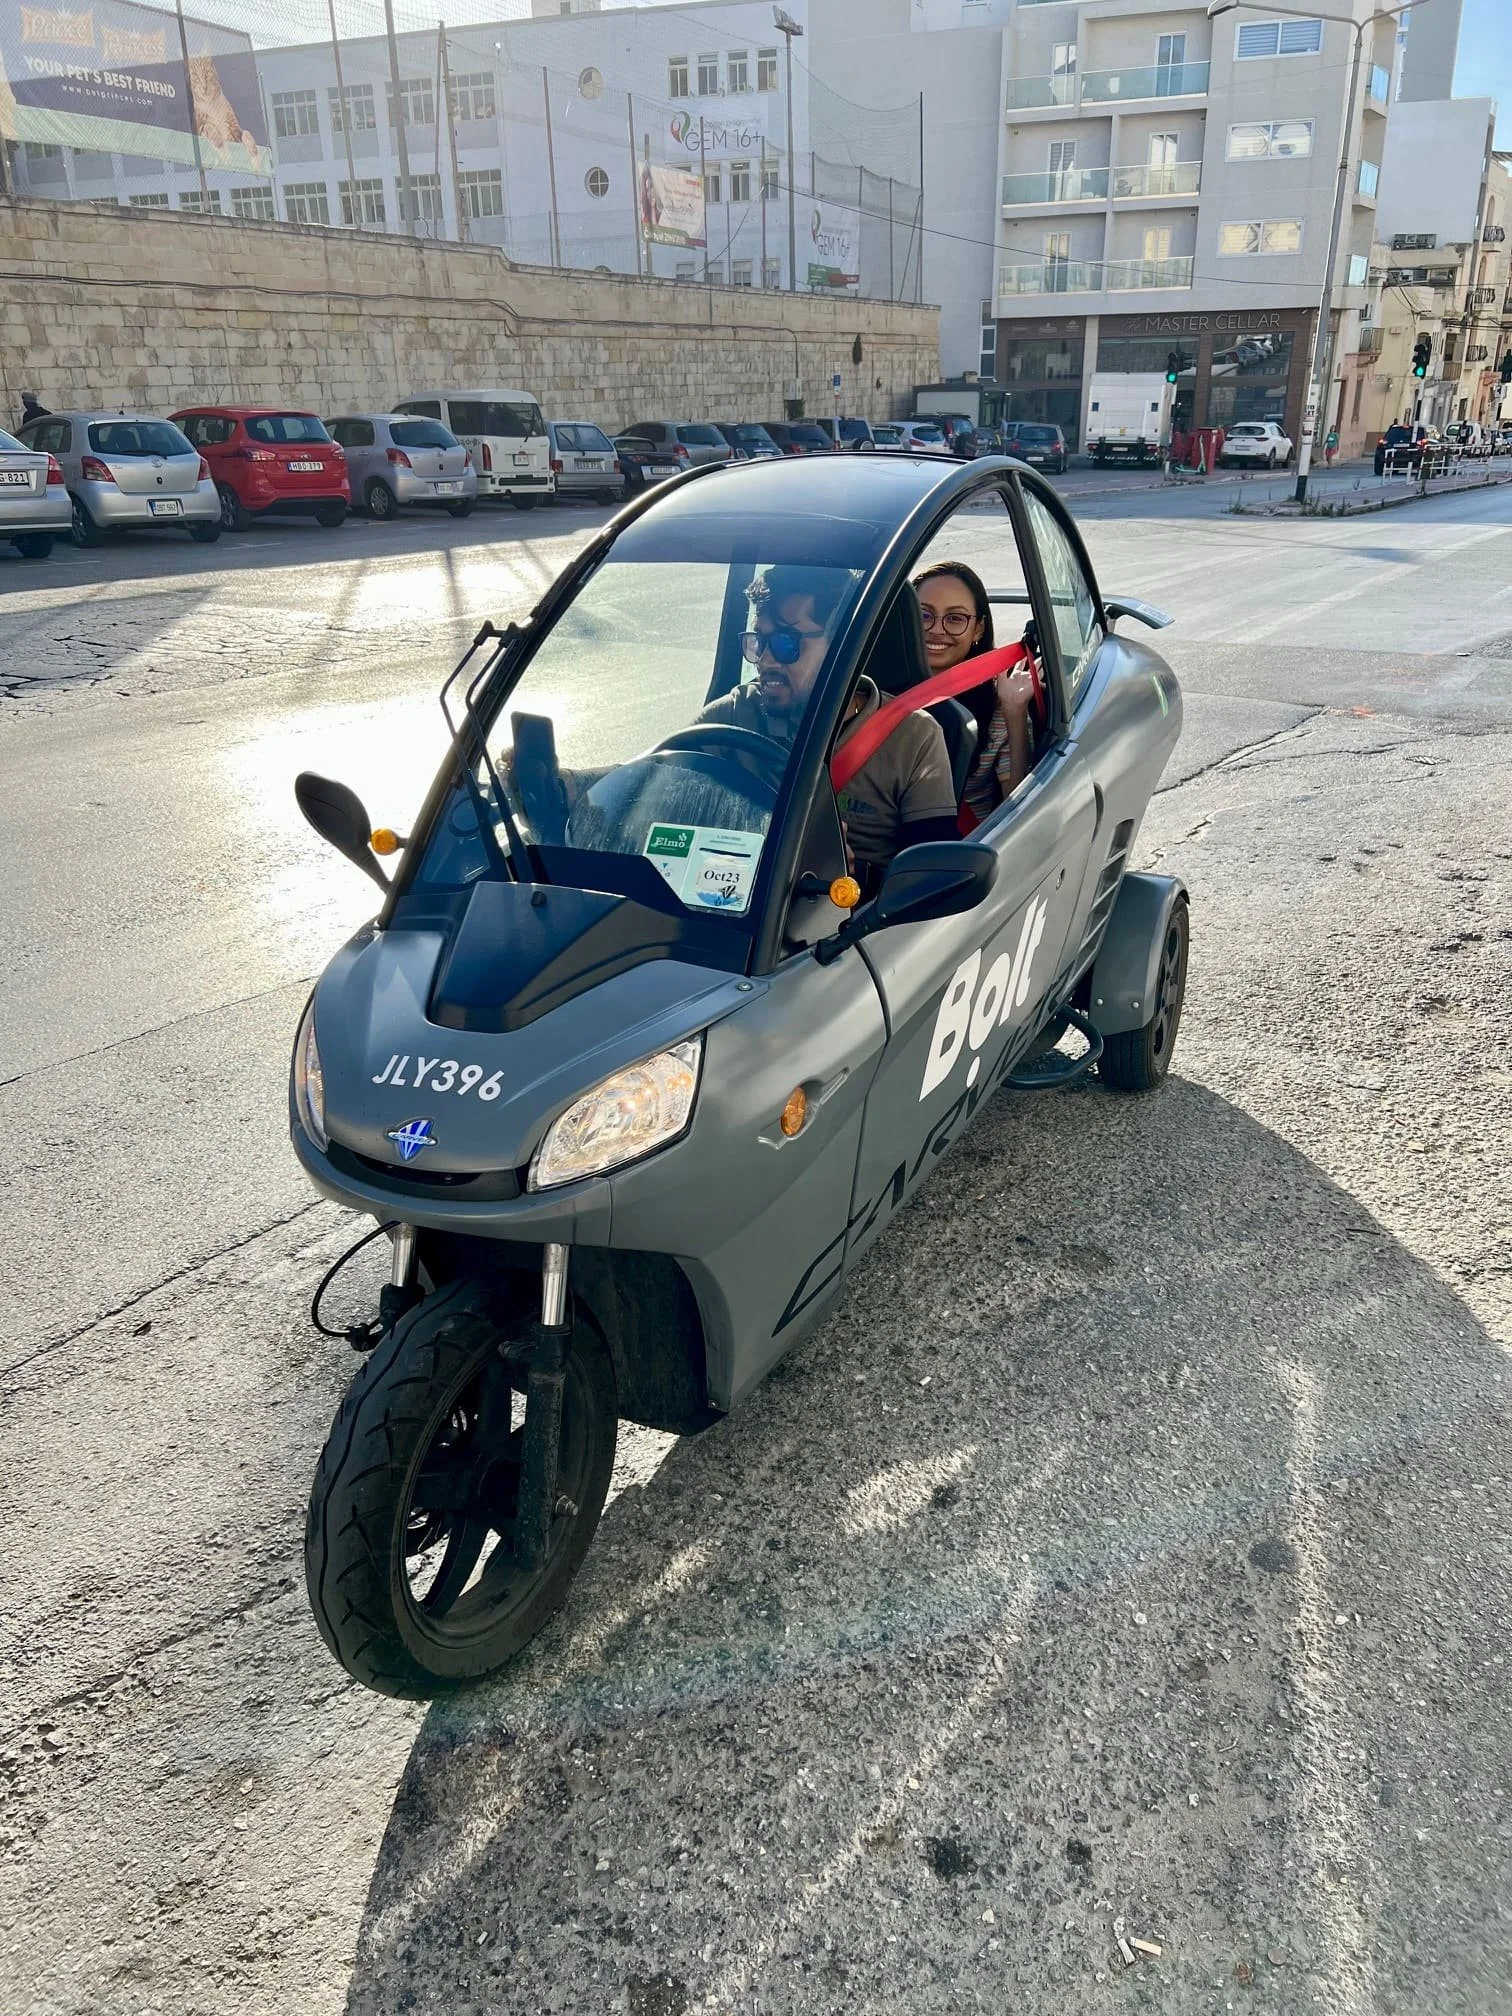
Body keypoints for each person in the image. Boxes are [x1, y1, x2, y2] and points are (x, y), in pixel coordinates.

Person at [698, 565, 959, 871]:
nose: (766, 660)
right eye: (758, 642)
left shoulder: (914, 737)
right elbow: (652, 799)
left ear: (840, 647)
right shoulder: (730, 717)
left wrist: (844, 875)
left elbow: (929, 880)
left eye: (786, 643)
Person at [913, 561, 1037, 823]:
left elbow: (1014, 813)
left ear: (978, 628)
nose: (936, 629)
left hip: (957, 850)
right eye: (924, 615)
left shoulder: (998, 701)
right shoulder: (867, 686)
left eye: (955, 618)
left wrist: (1015, 711)